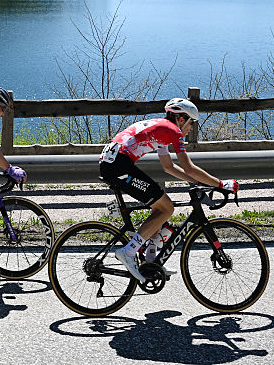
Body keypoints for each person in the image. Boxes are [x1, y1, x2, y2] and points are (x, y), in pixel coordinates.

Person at [100, 98, 238, 282]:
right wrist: (220, 184)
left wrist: (198, 183)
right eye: (192, 123)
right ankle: (128, 251)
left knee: (162, 210)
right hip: (119, 166)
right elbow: (188, 167)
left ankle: (150, 260)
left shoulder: (162, 129)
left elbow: (169, 167)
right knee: (166, 208)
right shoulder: (173, 131)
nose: (191, 129)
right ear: (182, 119)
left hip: (114, 162)